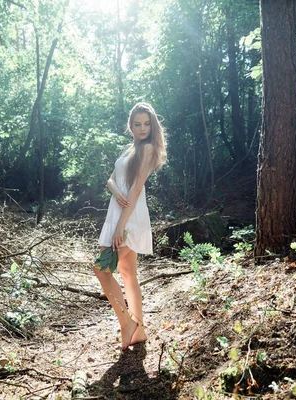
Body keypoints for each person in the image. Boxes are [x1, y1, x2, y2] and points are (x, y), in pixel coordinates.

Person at [94, 102, 167, 350]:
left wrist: (120, 228)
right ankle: (140, 330)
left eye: (147, 123)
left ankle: (126, 323)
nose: (143, 128)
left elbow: (136, 189)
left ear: (153, 125)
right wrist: (114, 190)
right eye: (138, 123)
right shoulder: (130, 148)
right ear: (131, 125)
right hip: (119, 211)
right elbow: (112, 180)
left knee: (101, 269)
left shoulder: (147, 149)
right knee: (127, 274)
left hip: (130, 217)